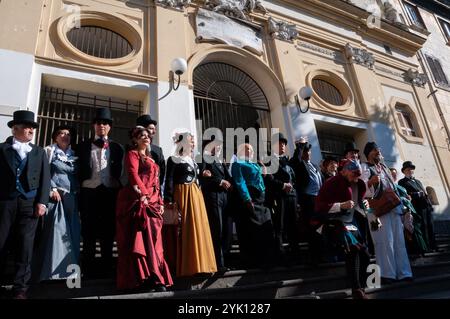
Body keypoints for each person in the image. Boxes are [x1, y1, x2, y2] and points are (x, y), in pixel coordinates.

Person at [0, 110, 50, 299]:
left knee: (25, 246)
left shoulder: (38, 151)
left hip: (30, 203)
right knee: (1, 242)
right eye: (27, 127)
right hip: (5, 203)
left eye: (32, 127)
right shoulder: (1, 149)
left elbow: (46, 179)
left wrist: (42, 202)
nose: (31, 130)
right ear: (15, 129)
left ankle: (20, 287)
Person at [115, 126, 172, 291]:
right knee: (143, 241)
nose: (145, 138)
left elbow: (157, 183)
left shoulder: (152, 159)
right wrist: (144, 196)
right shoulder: (132, 154)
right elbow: (133, 175)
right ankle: (146, 278)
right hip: (141, 201)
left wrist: (160, 202)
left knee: (155, 243)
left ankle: (156, 276)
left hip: (154, 203)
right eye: (141, 136)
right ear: (135, 140)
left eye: (147, 135)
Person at [76, 107, 124, 278]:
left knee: (108, 231)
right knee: (88, 230)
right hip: (89, 193)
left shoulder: (118, 148)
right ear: (93, 126)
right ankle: (88, 267)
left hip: (110, 194)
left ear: (109, 127)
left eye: (105, 123)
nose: (101, 126)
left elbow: (124, 172)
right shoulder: (81, 146)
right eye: (98, 123)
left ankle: (106, 266)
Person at [315, 159, 370, 299]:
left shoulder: (357, 184)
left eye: (358, 175)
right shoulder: (331, 183)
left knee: (365, 254)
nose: (355, 178)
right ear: (344, 171)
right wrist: (340, 205)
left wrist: (365, 206)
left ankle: (361, 286)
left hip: (351, 222)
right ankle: (357, 289)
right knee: (353, 250)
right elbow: (320, 205)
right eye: (353, 174)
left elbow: (357, 205)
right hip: (334, 223)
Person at [164, 131, 217, 277]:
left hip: (195, 195)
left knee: (198, 228)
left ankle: (202, 266)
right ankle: (190, 266)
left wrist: (202, 174)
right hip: (182, 194)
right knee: (187, 229)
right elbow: (169, 179)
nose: (193, 143)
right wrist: (168, 199)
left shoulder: (192, 160)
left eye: (193, 141)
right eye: (190, 140)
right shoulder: (174, 159)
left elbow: (194, 176)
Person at [33, 125, 81, 282]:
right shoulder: (48, 151)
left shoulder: (74, 154)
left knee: (71, 233)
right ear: (55, 137)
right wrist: (52, 189)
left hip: (71, 198)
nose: (65, 136)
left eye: (68, 134)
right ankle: (51, 272)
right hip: (55, 197)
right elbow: (43, 173)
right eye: (61, 133)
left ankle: (70, 271)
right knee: (55, 232)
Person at [361, 142, 412, 283]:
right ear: (369, 153)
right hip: (376, 210)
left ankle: (404, 272)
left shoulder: (383, 167)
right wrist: (370, 182)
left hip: (393, 208)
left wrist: (402, 207)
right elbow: (360, 189)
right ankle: (386, 274)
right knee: (383, 242)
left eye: (379, 149)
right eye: (375, 150)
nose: (378, 152)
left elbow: (392, 187)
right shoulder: (364, 167)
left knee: (399, 241)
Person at [231, 143, 276, 268]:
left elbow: (262, 179)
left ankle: (266, 259)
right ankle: (253, 261)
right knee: (252, 231)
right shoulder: (238, 164)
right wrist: (247, 199)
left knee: (265, 230)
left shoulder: (254, 164)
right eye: (247, 149)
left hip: (261, 200)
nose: (250, 151)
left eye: (251, 149)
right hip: (251, 199)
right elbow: (240, 182)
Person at [199, 136, 234, 271]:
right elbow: (202, 176)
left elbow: (228, 177)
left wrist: (229, 182)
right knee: (217, 228)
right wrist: (219, 181)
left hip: (225, 197)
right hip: (213, 197)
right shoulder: (203, 158)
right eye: (216, 145)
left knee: (226, 228)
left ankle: (224, 258)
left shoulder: (220, 161)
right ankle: (217, 263)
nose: (218, 147)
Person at [289, 137, 323, 264]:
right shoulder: (299, 164)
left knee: (320, 228)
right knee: (312, 229)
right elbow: (295, 161)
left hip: (319, 199)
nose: (307, 153)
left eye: (308, 151)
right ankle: (314, 257)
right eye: (305, 151)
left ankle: (321, 254)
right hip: (308, 200)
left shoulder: (314, 165)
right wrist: (300, 146)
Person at [264, 133, 299, 257]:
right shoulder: (268, 160)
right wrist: (283, 185)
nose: (283, 146)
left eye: (284, 143)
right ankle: (280, 254)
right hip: (278, 197)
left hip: (291, 197)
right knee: (279, 226)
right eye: (280, 143)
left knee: (293, 225)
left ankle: (295, 252)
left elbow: (294, 179)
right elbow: (269, 179)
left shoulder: (287, 161)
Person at [398, 161, 436, 251]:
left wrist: (430, 205)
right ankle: (427, 247)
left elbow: (425, 193)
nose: (410, 170)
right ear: (404, 171)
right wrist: (417, 194)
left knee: (430, 225)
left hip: (425, 206)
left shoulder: (418, 181)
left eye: (411, 169)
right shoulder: (402, 182)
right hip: (416, 207)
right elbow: (404, 194)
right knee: (423, 226)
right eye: (408, 169)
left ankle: (434, 246)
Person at [390, 168, 428, 255]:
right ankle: (412, 251)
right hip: (400, 211)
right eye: (392, 174)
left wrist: (408, 198)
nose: (394, 176)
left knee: (414, 228)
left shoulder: (399, 186)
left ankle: (421, 249)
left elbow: (406, 195)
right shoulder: (389, 186)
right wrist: (404, 198)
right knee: (406, 231)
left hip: (409, 209)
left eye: (395, 174)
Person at [136, 115, 165, 189]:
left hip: (154, 191)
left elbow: (162, 172)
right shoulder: (132, 150)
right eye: (151, 129)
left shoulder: (158, 150)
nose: (154, 132)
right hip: (137, 190)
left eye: (154, 129)